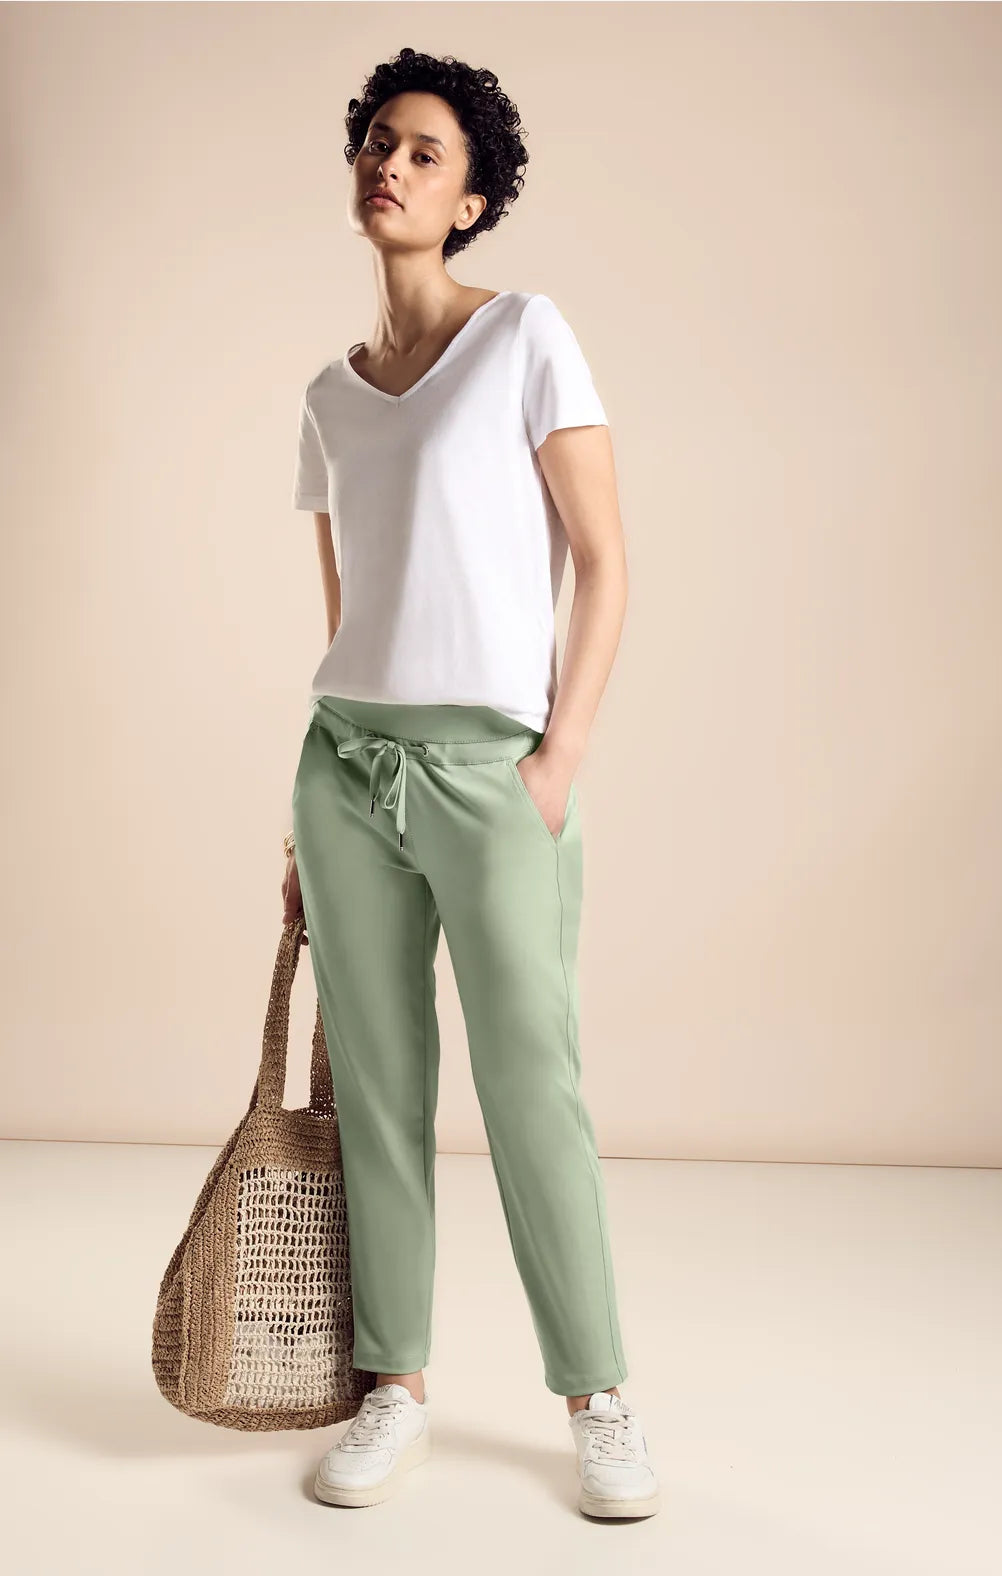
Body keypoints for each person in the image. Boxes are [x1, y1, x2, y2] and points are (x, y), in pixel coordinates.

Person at [282, 47, 660, 1519]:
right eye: (378, 141)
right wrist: (310, 808)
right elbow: (348, 604)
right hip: (345, 768)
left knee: (528, 1083)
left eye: (425, 152)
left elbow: (604, 561)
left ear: (473, 199)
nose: (390, 165)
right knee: (377, 1090)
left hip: (492, 769)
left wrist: (557, 760)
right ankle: (395, 1387)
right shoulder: (327, 393)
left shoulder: (525, 337)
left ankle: (599, 1398)